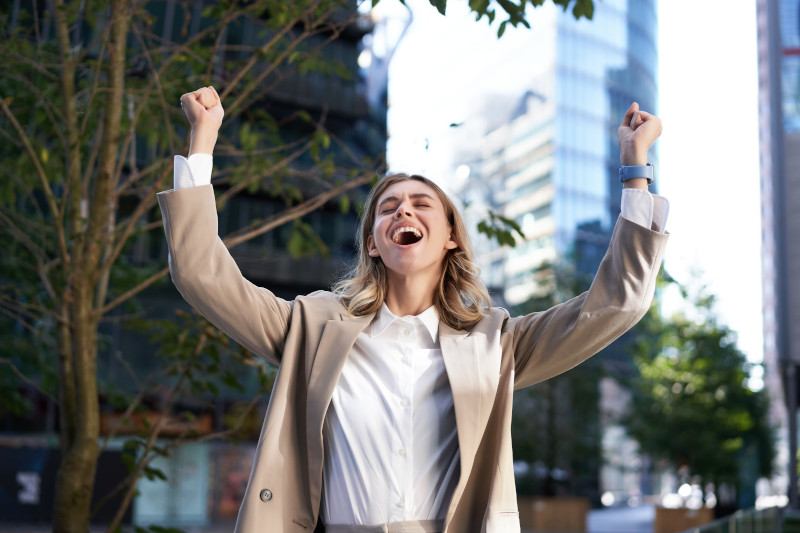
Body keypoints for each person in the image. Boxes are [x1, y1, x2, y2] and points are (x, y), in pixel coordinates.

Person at [159, 86, 668, 533]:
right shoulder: (311, 328)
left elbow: (617, 302)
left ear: (450, 238)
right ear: (375, 244)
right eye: (388, 206)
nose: (403, 209)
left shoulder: (497, 343)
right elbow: (202, 275)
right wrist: (201, 144)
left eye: (422, 203)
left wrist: (635, 171)